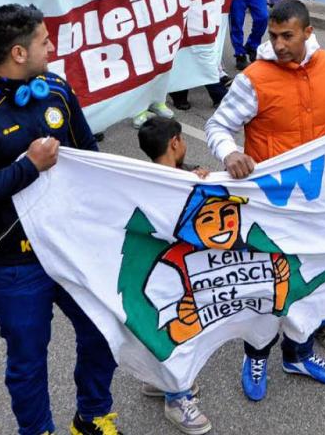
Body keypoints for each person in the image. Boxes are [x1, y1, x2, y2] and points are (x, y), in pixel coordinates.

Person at [0, 4, 123, 435]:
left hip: (71, 249)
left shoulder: (54, 88)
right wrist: (28, 167)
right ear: (19, 53)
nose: (52, 47)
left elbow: (88, 156)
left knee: (104, 329)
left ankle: (92, 417)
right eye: (44, 41)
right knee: (28, 361)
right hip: (12, 264)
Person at [204, 0, 325, 402]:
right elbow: (217, 124)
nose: (278, 45)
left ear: (308, 33)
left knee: (310, 282)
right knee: (269, 289)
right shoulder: (254, 78)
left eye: (287, 36)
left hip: (317, 199)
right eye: (273, 36)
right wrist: (229, 154)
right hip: (271, 206)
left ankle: (298, 354)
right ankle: (256, 355)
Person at [135, 116, 213, 434]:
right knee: (177, 333)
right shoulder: (168, 187)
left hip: (159, 275)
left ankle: (160, 380)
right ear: (175, 142)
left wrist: (195, 175)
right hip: (168, 278)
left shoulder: (147, 178)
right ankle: (176, 398)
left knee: (167, 331)